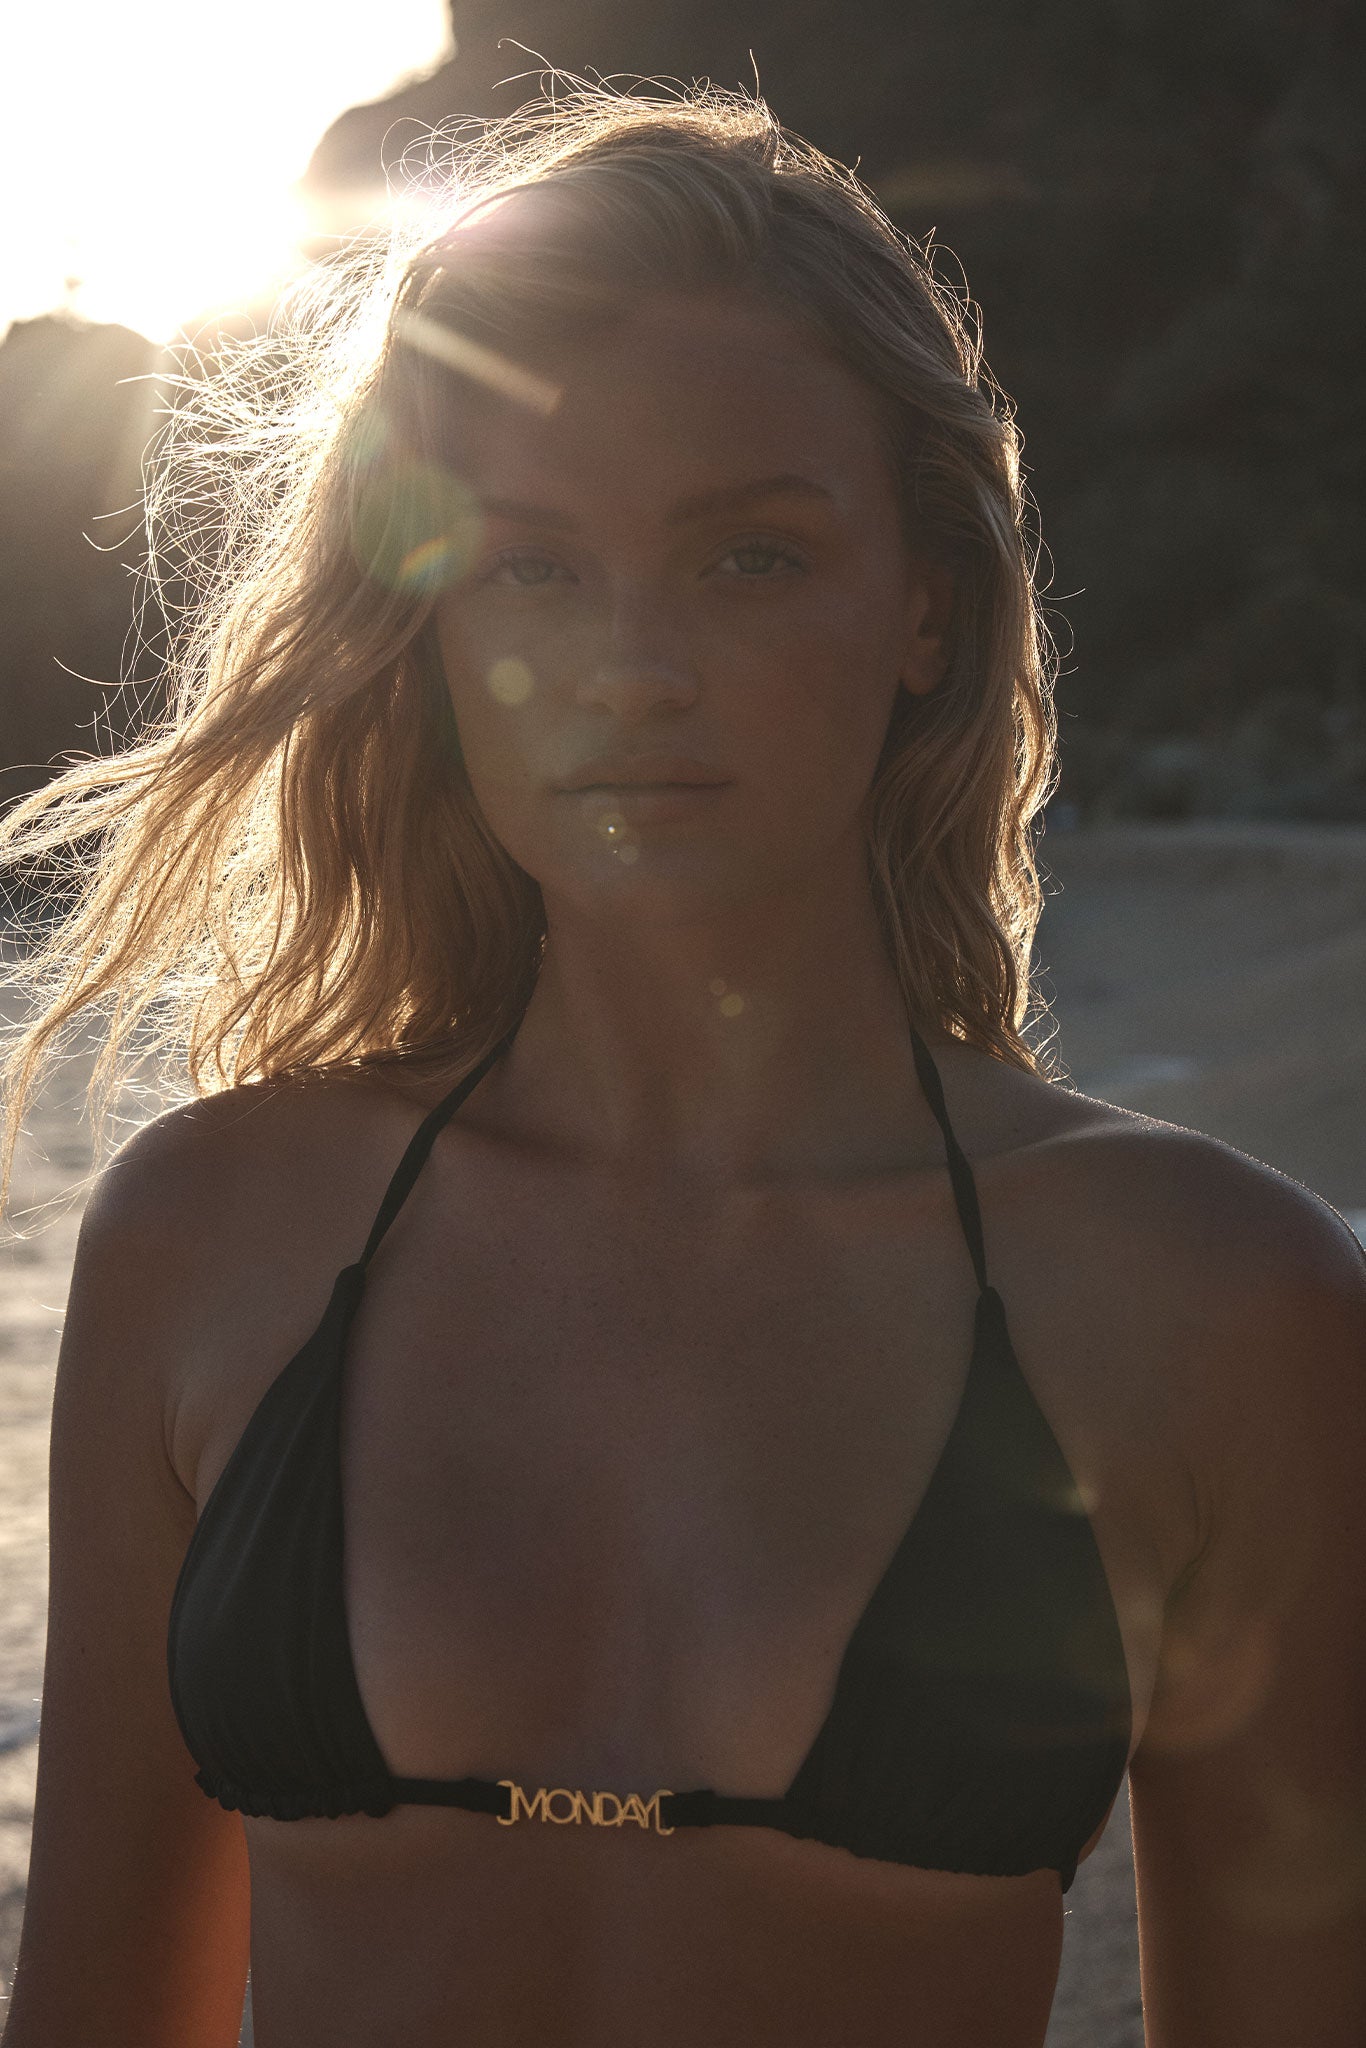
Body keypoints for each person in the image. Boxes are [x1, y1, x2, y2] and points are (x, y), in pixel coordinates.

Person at [2, 79, 1363, 2048]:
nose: (629, 665)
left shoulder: (1215, 1302)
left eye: (744, 560)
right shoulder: (213, 1235)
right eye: (533, 565)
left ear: (923, 602)